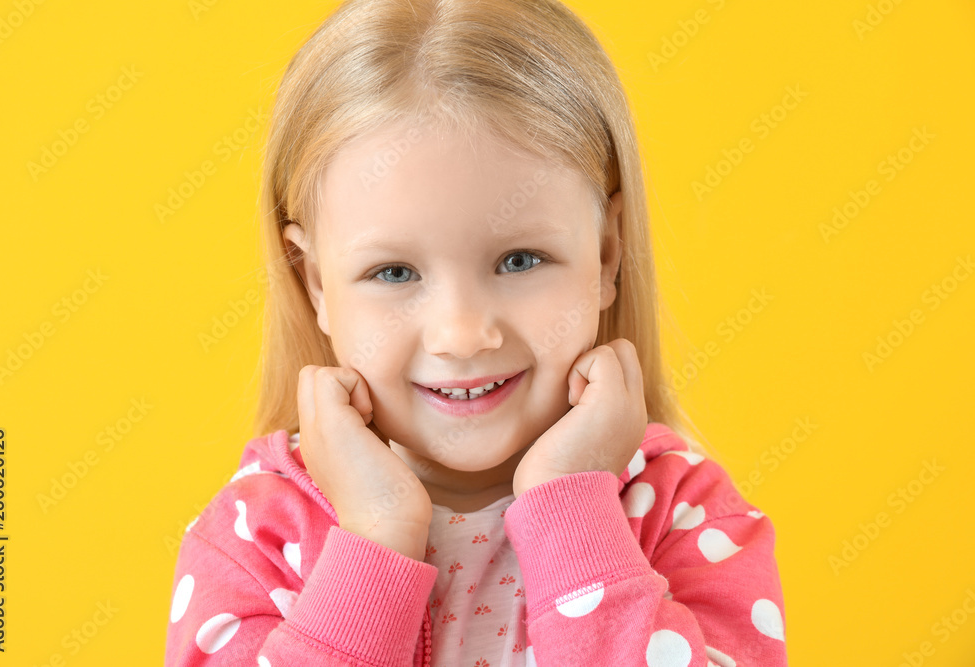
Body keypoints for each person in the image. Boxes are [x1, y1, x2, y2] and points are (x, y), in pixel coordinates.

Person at [164, 0, 788, 664]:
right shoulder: (251, 538)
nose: (461, 335)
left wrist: (573, 511)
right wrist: (375, 540)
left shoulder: (684, 516)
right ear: (315, 282)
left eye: (519, 260)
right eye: (394, 271)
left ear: (607, 255)